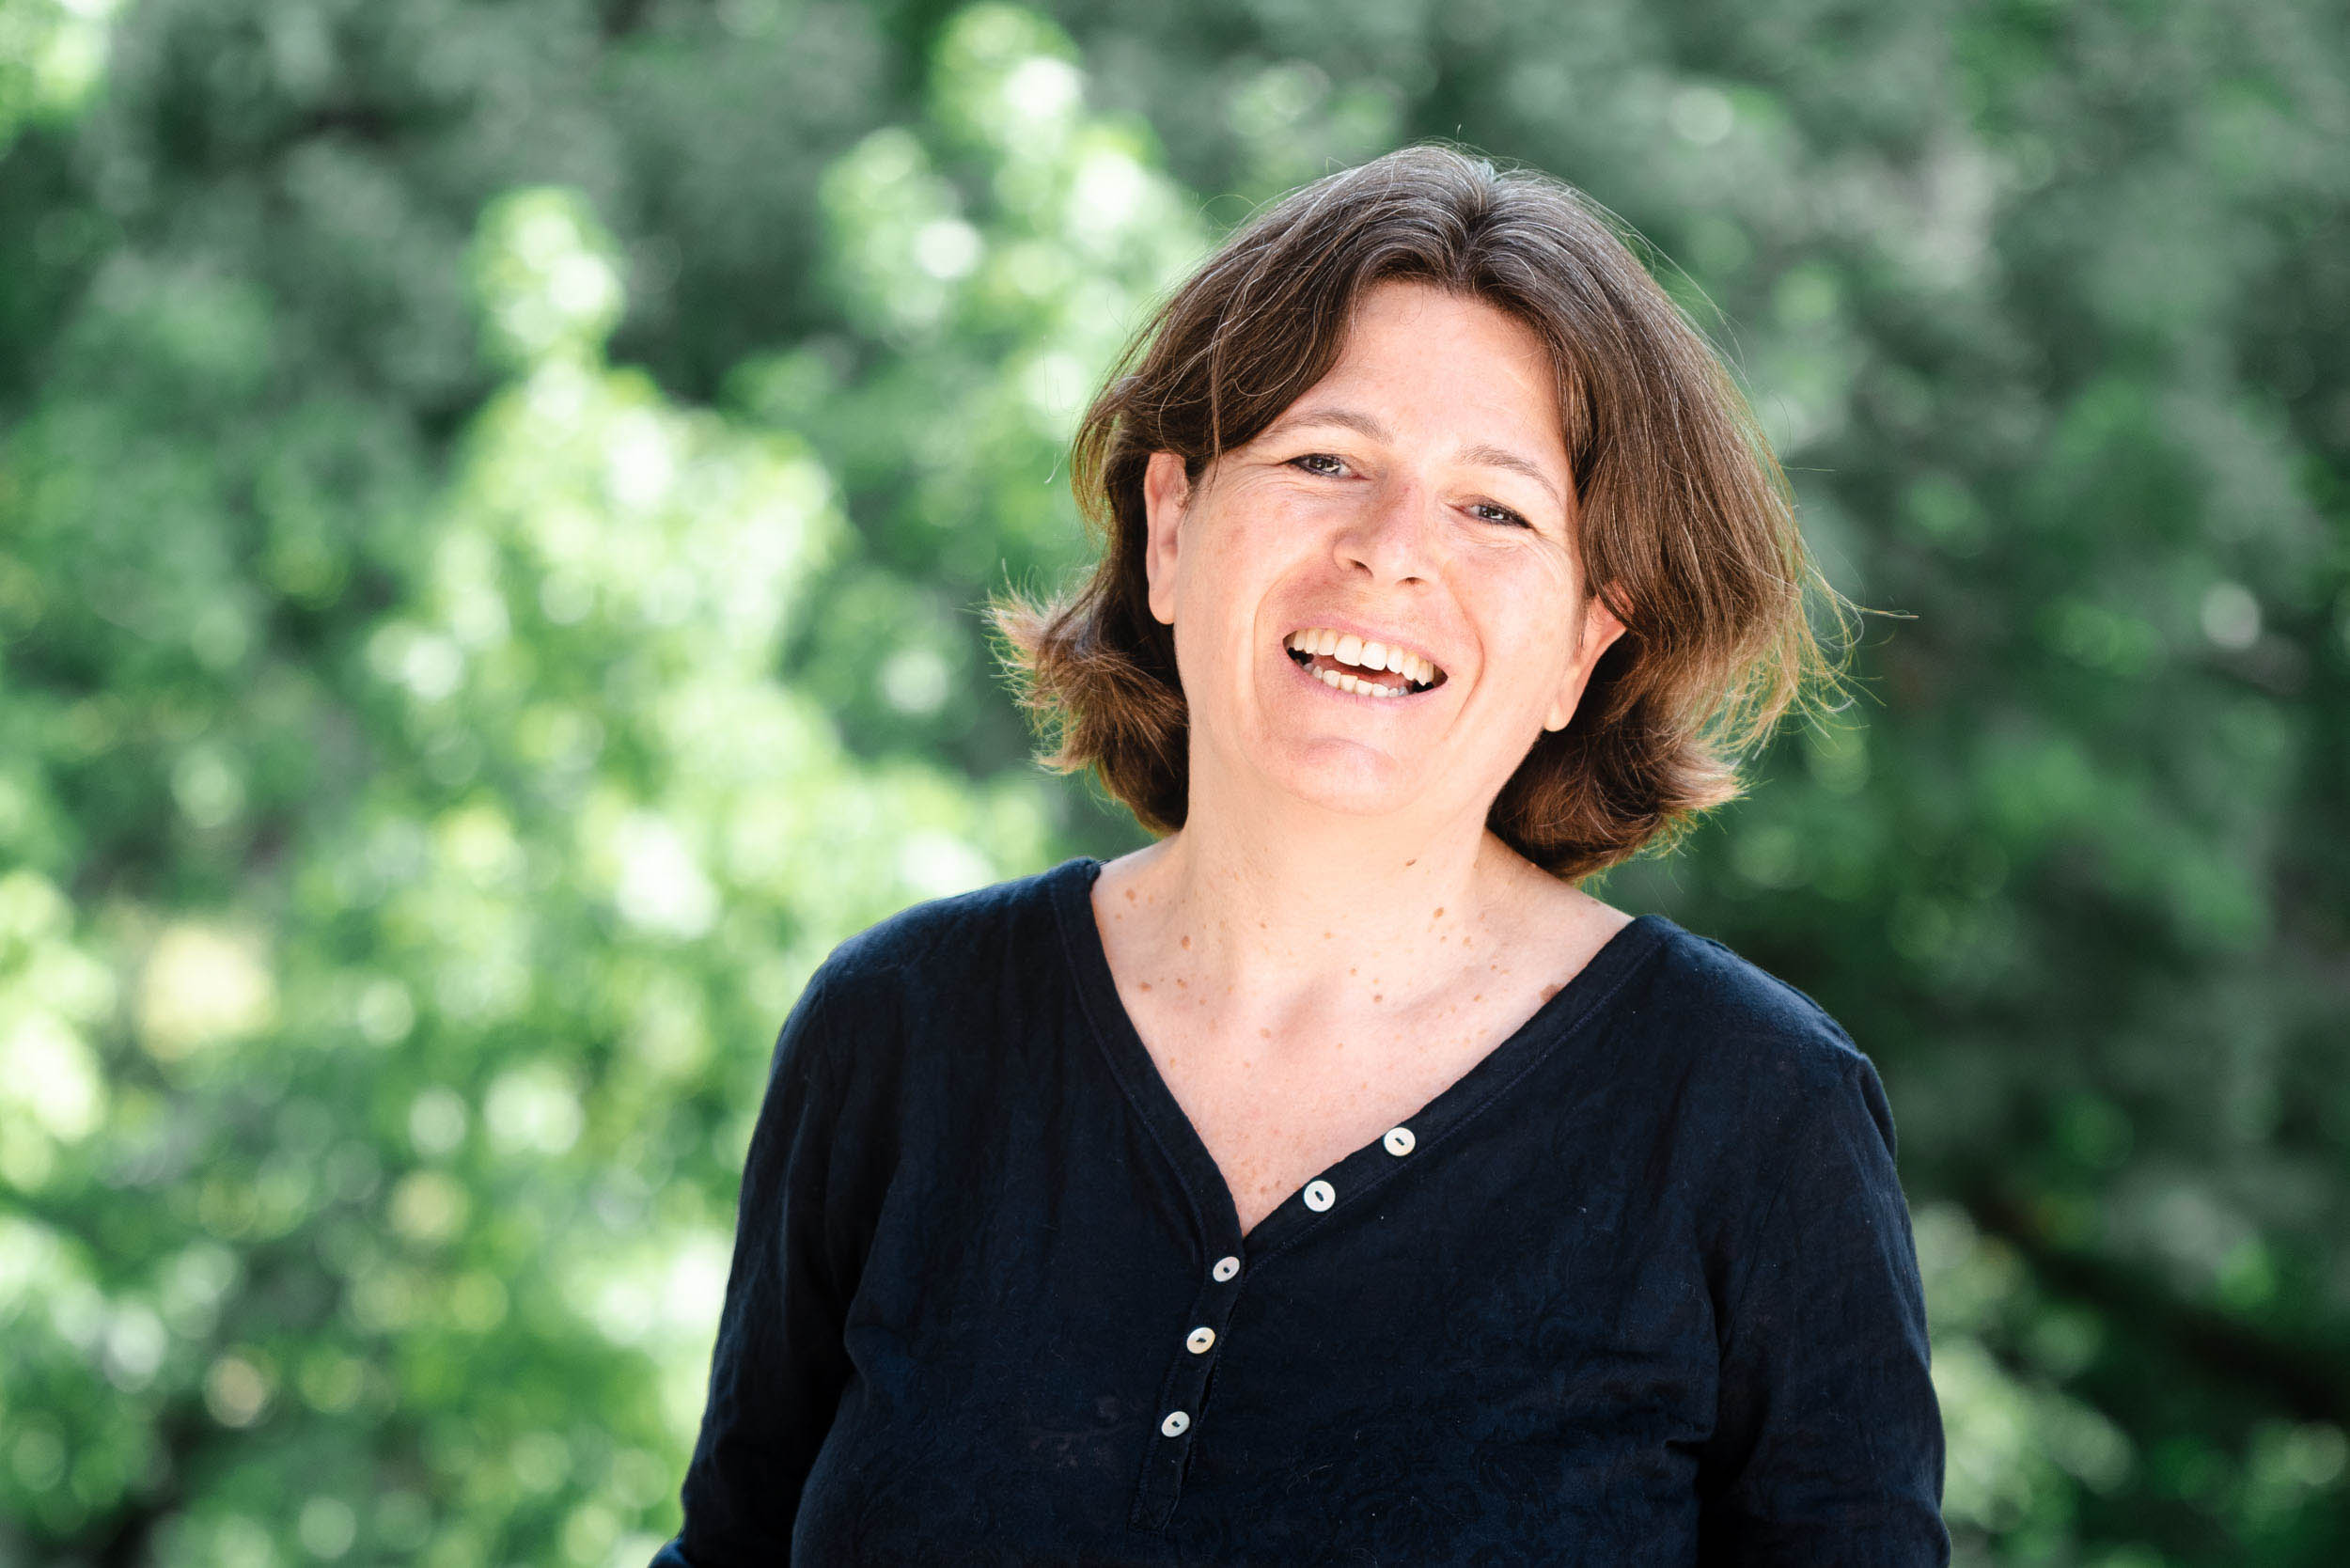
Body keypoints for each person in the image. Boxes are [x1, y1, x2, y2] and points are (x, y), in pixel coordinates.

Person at [651, 143, 1949, 1565]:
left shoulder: (1756, 1116)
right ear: (1169, 525)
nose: (1392, 551)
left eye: (1496, 509)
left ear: (1589, 639)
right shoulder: (900, 1031)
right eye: (1326, 460)